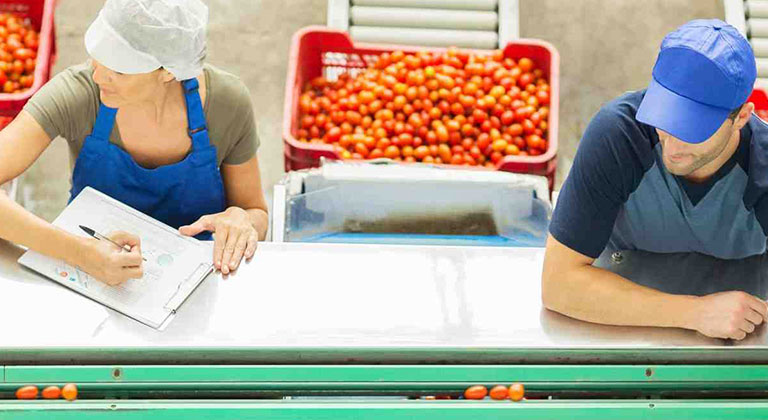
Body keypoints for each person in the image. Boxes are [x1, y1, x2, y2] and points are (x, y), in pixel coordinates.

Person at [0, 0, 268, 285]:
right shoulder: (80, 94)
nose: (97, 75)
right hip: (88, 277)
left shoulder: (227, 104)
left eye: (120, 70)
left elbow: (256, 214)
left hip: (197, 281)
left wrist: (241, 220)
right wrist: (79, 252)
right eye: (99, 56)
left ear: (169, 72)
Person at [542, 19, 768, 341]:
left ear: (741, 117)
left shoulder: (763, 169)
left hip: (740, 329)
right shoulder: (619, 136)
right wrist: (695, 312)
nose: (671, 146)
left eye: (692, 129)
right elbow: (558, 284)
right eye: (665, 118)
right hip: (612, 321)